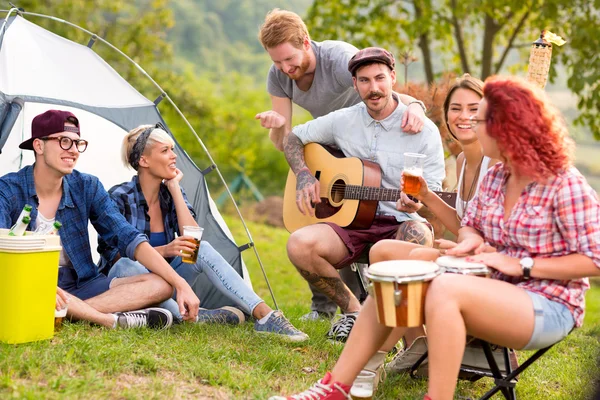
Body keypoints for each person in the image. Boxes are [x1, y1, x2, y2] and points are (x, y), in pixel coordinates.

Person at [269, 75, 600, 400]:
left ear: (508, 127)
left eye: (481, 119)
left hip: (548, 303)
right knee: (395, 274)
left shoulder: (562, 182)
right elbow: (470, 224)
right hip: (492, 281)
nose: (472, 125)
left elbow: (594, 260)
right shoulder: (497, 175)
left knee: (443, 287)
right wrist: (470, 240)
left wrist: (522, 265)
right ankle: (334, 388)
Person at [256, 8, 429, 322]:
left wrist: (415, 105)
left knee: (351, 220)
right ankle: (326, 308)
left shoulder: (338, 59)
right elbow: (284, 140)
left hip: (366, 147)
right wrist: (279, 129)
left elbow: (377, 90)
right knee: (317, 217)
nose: (285, 68)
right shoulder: (278, 75)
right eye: (277, 62)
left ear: (306, 42)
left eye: (289, 58)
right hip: (328, 147)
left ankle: (365, 310)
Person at [282, 47, 445, 344]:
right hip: (351, 223)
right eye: (365, 80)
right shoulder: (343, 120)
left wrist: (417, 201)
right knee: (299, 244)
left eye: (380, 78)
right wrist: (304, 174)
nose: (374, 88)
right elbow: (293, 137)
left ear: (393, 78)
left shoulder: (423, 131)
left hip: (399, 221)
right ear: (354, 84)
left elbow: (431, 195)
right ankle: (354, 313)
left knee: (418, 236)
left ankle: (400, 330)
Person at [98, 124, 308, 341]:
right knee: (127, 264)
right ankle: (200, 317)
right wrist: (164, 250)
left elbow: (192, 241)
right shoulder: (118, 197)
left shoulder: (170, 194)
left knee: (202, 249)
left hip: (168, 281)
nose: (173, 156)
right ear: (144, 160)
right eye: (165, 151)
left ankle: (264, 315)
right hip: (126, 280)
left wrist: (175, 189)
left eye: (172, 149)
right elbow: (113, 256)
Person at [0, 109, 202, 330]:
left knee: (162, 285)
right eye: (64, 141)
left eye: (78, 143)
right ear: (39, 146)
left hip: (82, 283)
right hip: (30, 281)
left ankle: (66, 312)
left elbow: (127, 236)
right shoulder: (8, 190)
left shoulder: (87, 186)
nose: (74, 151)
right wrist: (41, 286)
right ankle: (108, 320)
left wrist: (180, 284)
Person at [363, 74, 503, 375]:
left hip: (486, 263)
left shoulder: (497, 162)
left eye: (473, 108)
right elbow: (463, 221)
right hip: (466, 253)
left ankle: (371, 361)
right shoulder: (464, 161)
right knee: (382, 250)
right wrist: (426, 194)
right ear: (447, 115)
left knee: (411, 261)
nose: (463, 116)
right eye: (455, 108)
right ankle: (419, 346)